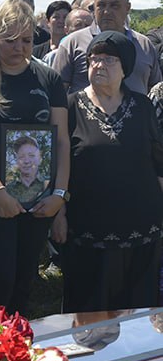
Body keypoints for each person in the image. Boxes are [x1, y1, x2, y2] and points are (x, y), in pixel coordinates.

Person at [0, 0, 70, 314]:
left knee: (23, 280)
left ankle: (15, 350)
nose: (19, 47)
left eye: (26, 40)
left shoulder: (48, 79)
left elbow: (61, 141)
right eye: (10, 40)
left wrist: (59, 194)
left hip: (39, 199)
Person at [52, 31, 163, 313]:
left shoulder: (142, 106)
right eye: (93, 59)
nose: (99, 65)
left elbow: (158, 160)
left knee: (139, 308)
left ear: (125, 67)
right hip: (88, 227)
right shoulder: (71, 105)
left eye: (108, 59)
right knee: (90, 307)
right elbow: (56, 163)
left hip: (142, 225)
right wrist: (59, 213)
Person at [53, 0, 161, 95]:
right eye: (101, 5)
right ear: (94, 7)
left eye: (114, 6)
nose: (107, 11)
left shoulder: (144, 45)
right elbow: (56, 93)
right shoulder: (73, 43)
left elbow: (156, 90)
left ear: (127, 8)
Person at [4, 135, 50, 205]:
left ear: (40, 159)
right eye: (22, 156)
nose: (26, 161)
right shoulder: (8, 189)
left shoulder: (50, 184)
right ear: (17, 161)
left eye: (31, 155)